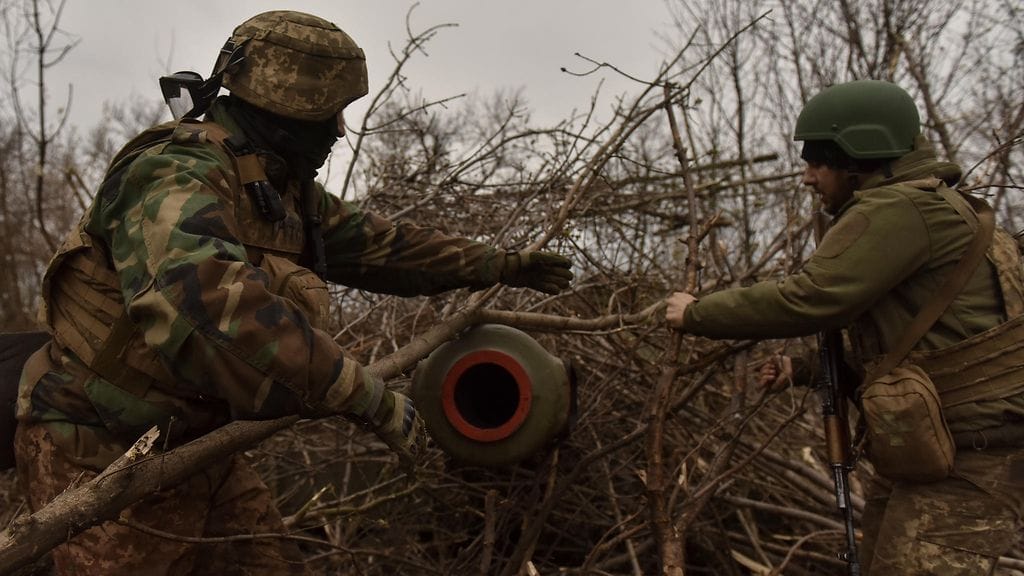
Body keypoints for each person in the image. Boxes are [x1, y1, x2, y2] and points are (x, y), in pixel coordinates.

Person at [14, 10, 573, 576]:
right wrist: (361, 392)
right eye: (333, 113)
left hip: (192, 447)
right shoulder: (175, 174)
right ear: (291, 110)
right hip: (97, 447)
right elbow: (208, 306)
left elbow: (383, 246)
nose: (340, 131)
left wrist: (496, 264)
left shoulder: (272, 187)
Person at [665, 79, 1024, 574]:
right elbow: (923, 346)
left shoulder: (900, 209)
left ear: (858, 157)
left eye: (818, 162)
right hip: (938, 451)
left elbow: (811, 298)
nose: (808, 178)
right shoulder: (932, 206)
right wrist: (805, 368)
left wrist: (696, 313)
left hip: (971, 458)